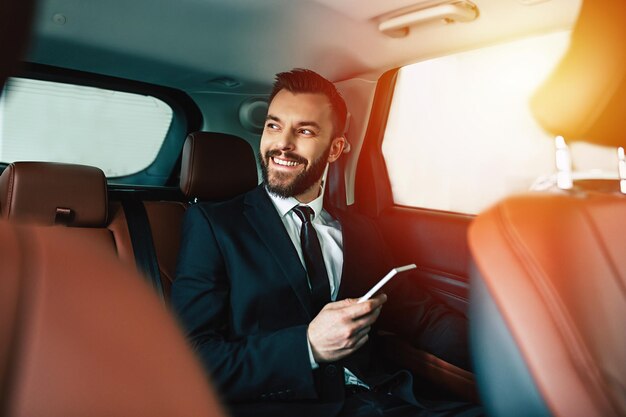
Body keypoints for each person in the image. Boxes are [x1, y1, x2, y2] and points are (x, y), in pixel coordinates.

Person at [172, 68, 482, 417]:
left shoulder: (361, 230)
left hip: (384, 398)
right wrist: (308, 346)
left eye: (304, 130)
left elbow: (420, 317)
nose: (282, 144)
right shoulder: (215, 225)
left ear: (335, 149)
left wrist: (507, 356)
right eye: (274, 125)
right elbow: (192, 358)